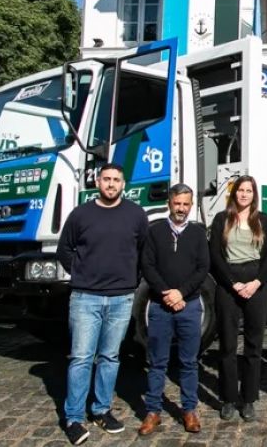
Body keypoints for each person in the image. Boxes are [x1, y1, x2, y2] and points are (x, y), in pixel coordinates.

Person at [57, 163, 148, 446]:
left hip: (121, 298)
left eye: (116, 180)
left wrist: (131, 280)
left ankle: (101, 410)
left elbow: (144, 252)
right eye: (106, 179)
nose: (111, 184)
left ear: (123, 184)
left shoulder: (135, 214)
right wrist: (83, 274)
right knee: (81, 357)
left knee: (110, 357)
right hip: (86, 297)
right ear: (98, 182)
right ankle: (73, 417)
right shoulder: (81, 214)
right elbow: (64, 250)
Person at [137, 184, 211, 436]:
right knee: (157, 361)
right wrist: (167, 293)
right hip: (160, 305)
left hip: (189, 306)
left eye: (186, 204)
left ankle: (189, 410)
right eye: (177, 203)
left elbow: (203, 268)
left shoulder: (199, 233)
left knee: (189, 361)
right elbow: (147, 265)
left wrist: (182, 293)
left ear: (191, 205)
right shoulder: (155, 231)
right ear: (170, 203)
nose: (181, 208)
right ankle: (153, 411)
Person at [209, 175, 267, 423]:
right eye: (240, 190)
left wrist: (257, 282)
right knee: (227, 344)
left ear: (254, 195)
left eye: (249, 191)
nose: (244, 194)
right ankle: (228, 399)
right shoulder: (221, 219)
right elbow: (215, 254)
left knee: (253, 345)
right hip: (229, 283)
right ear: (234, 193)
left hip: (256, 283)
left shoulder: (263, 220)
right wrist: (233, 283)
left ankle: (248, 399)